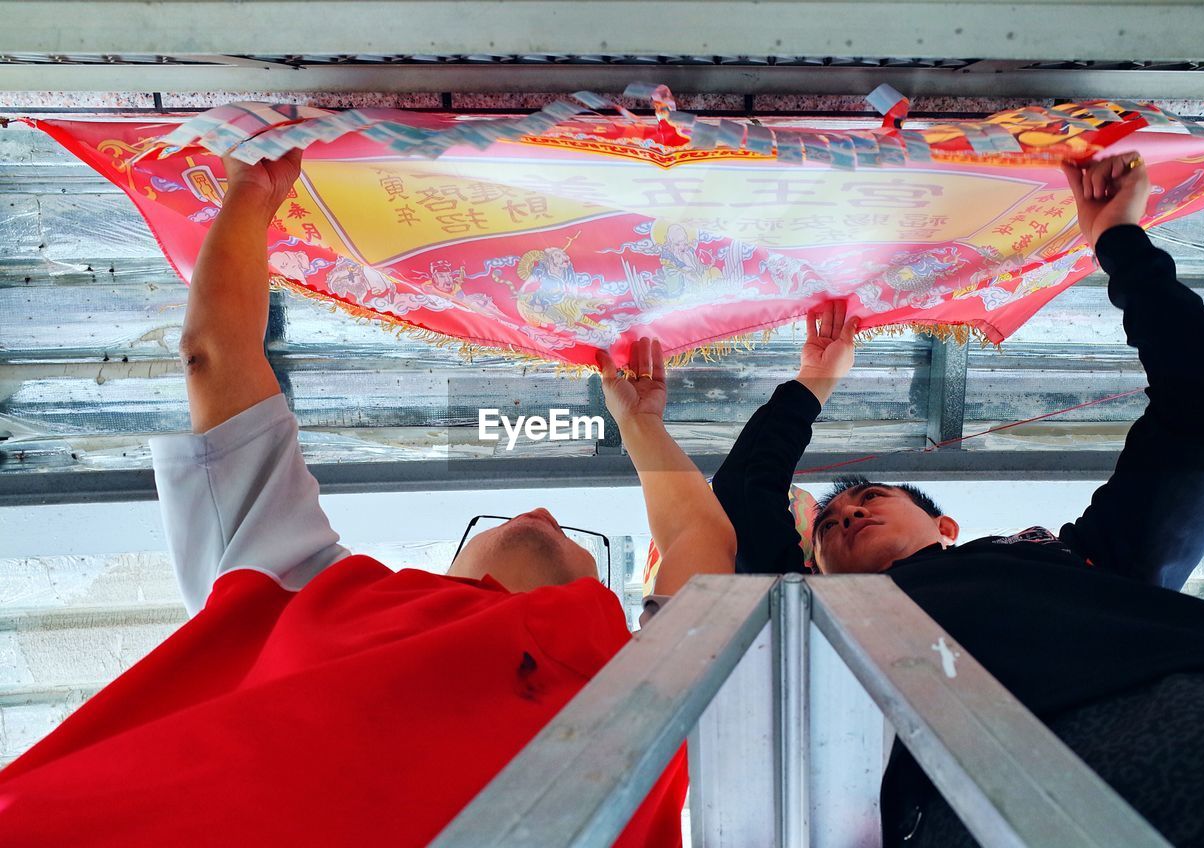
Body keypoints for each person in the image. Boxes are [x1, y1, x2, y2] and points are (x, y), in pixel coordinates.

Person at [0, 150, 734, 847]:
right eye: (570, 533)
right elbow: (706, 544)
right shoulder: (648, 698)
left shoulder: (287, 589)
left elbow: (214, 356)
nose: (540, 514)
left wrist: (250, 197)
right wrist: (639, 427)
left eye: (510, 518)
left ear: (447, 568)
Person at [712, 153, 1204, 846]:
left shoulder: (1078, 565)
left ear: (945, 525)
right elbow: (749, 495)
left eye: (862, 500)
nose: (848, 514)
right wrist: (1121, 240)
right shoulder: (811, 613)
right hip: (986, 800)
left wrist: (1121, 242)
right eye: (831, 521)